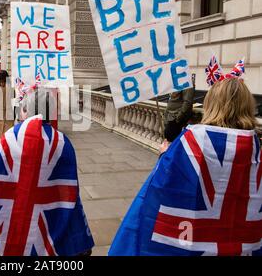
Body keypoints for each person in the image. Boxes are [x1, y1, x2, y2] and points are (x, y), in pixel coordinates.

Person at [109, 77, 262, 256]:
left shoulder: (190, 140)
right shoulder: (255, 147)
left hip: (189, 242)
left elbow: (159, 191)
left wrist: (164, 156)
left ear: (211, 103)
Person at [0, 89, 95, 256]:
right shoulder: (63, 142)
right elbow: (69, 189)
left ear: (26, 111)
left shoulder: (12, 136)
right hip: (56, 227)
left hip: (16, 229)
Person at [162, 74, 195, 142]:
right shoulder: (176, 81)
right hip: (170, 117)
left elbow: (187, 102)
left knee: (172, 142)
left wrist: (178, 118)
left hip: (175, 119)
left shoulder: (187, 82)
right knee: (168, 139)